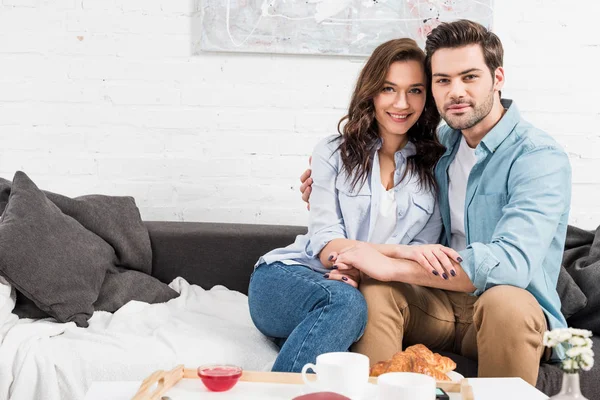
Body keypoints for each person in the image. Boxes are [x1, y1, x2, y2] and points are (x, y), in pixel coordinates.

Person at [299, 20, 571, 386]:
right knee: (378, 291)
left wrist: (391, 266)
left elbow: (512, 265)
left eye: (469, 77)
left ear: (498, 77)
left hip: (513, 310)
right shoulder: (441, 145)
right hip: (442, 304)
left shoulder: (537, 157)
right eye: (443, 80)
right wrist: (323, 187)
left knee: (503, 301)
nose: (456, 92)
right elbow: (383, 174)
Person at [248, 38, 463, 373]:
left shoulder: (434, 169)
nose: (402, 103)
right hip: (288, 279)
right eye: (389, 88)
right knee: (345, 303)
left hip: (360, 288)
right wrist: (399, 254)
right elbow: (326, 246)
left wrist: (367, 269)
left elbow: (424, 259)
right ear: (372, 91)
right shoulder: (332, 152)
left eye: (415, 90)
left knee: (349, 314)